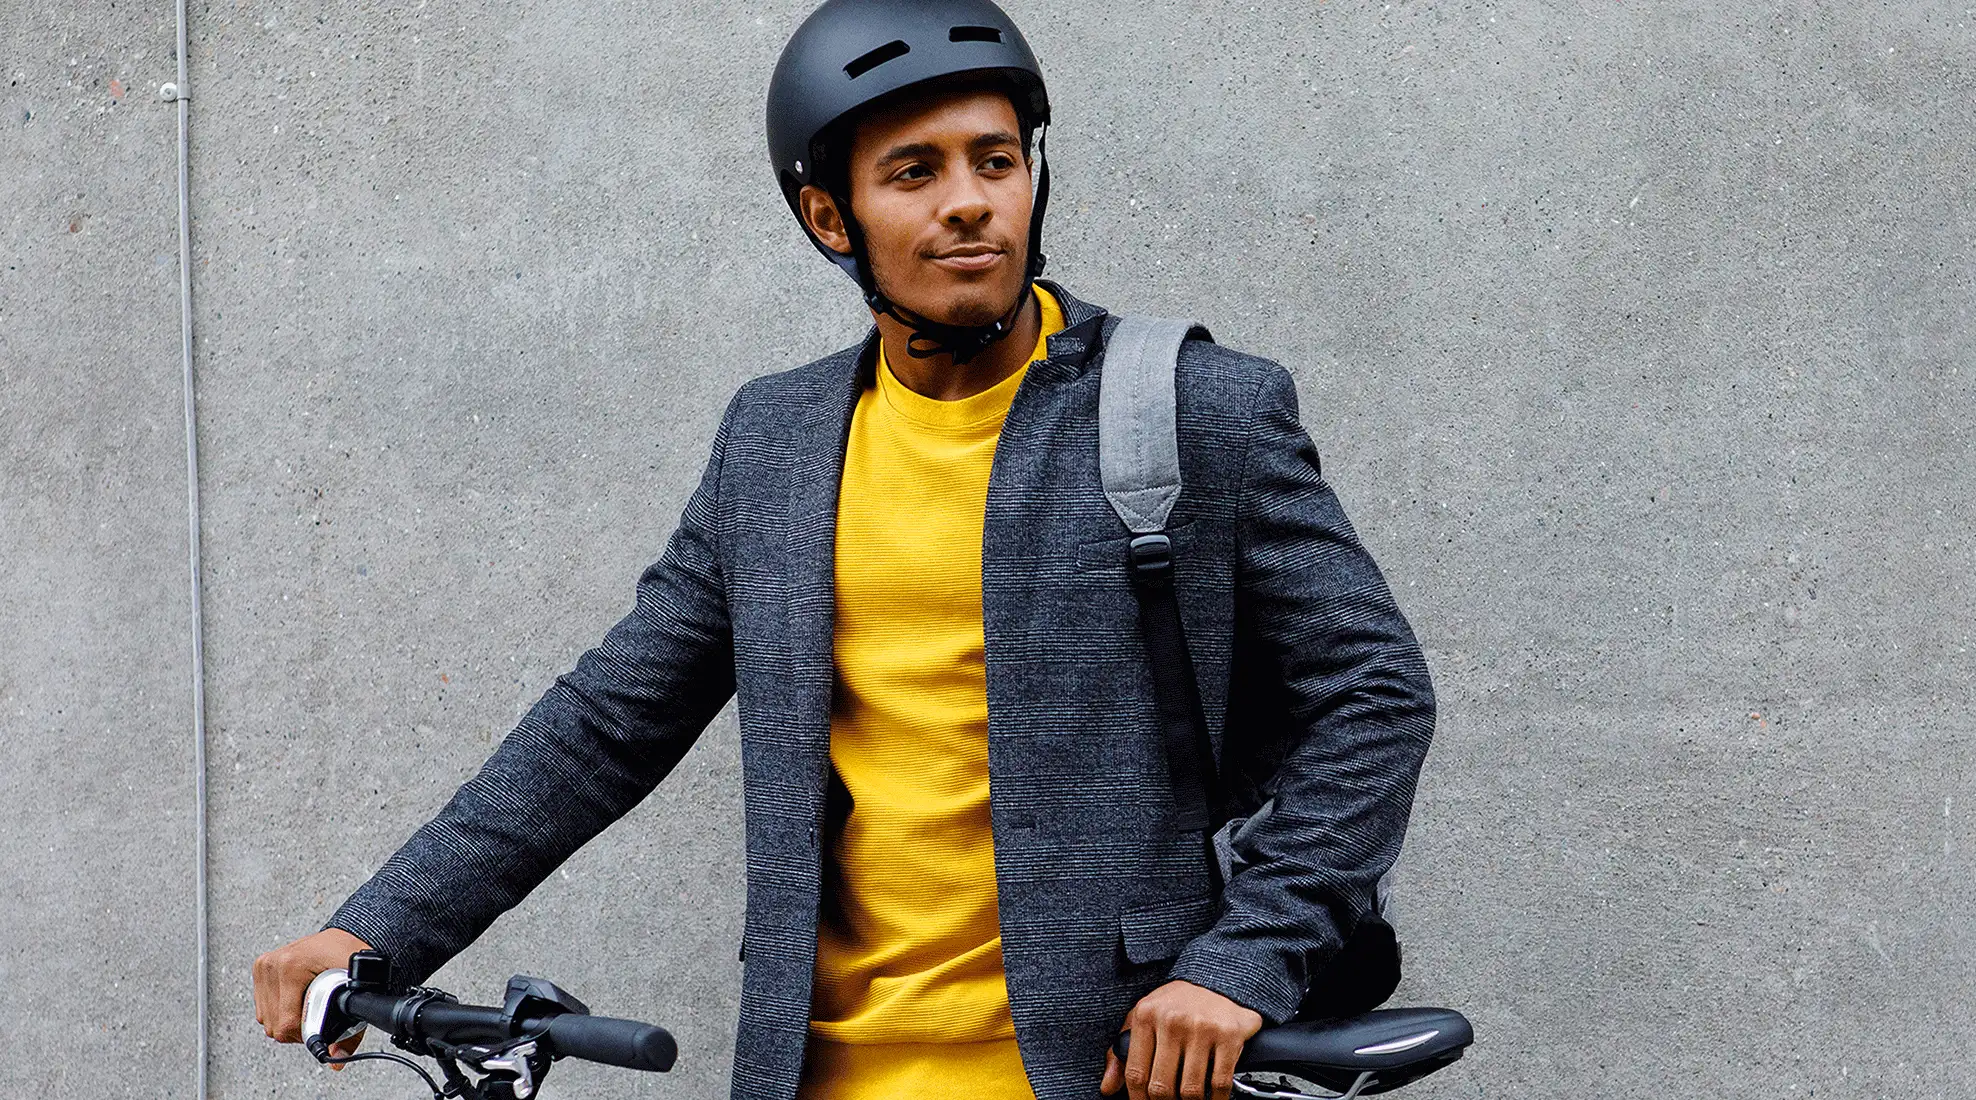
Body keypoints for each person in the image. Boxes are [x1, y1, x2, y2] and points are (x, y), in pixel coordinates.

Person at [248, 2, 1436, 1098]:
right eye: (914, 172)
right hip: (814, 1070)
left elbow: (1374, 691)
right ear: (830, 216)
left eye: (995, 160)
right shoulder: (776, 442)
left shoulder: (1193, 409)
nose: (969, 202)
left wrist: (1244, 959)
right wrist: (380, 926)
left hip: (1099, 1065)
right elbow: (610, 719)